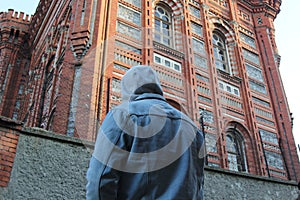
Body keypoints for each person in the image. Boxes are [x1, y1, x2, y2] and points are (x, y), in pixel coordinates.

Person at [86, 65, 205, 199]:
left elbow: (100, 179)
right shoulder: (193, 129)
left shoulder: (123, 115)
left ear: (126, 89)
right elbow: (198, 185)